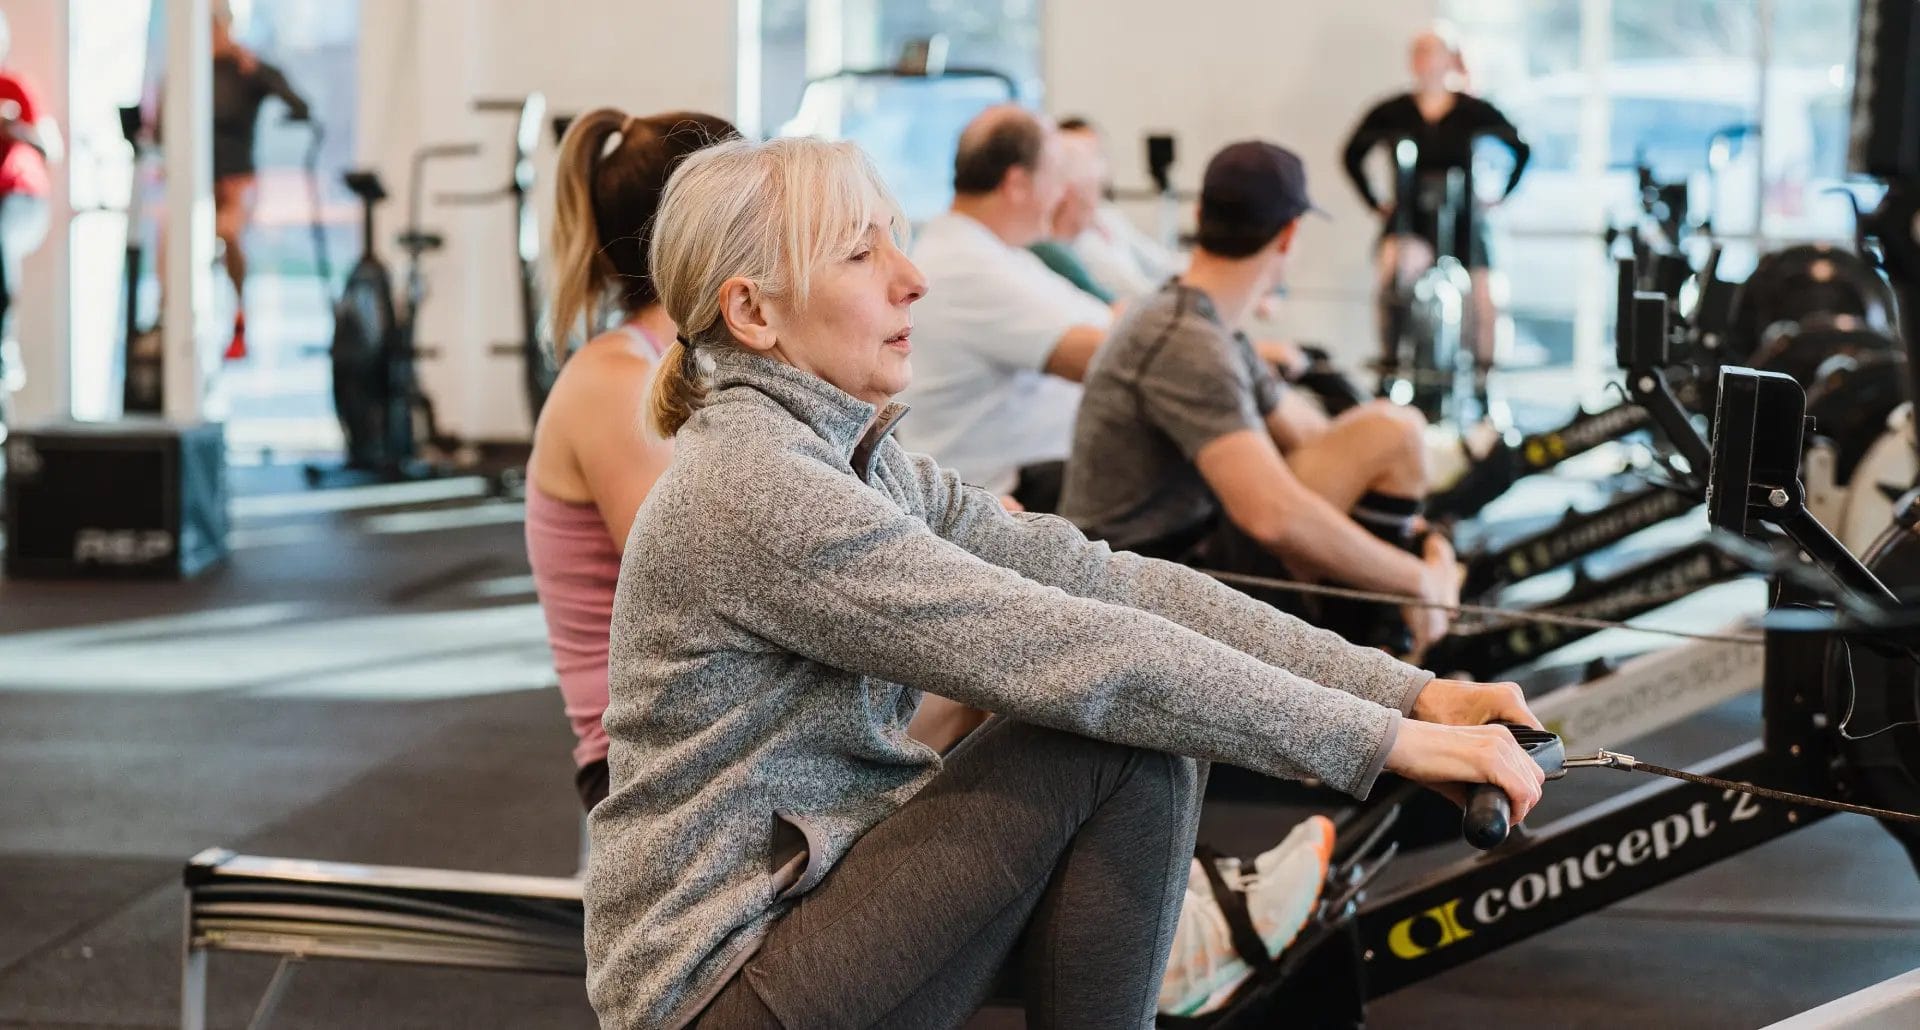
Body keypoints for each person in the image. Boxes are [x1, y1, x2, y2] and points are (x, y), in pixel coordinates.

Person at [583, 133, 1546, 1029]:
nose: (912, 281)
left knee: (1141, 722)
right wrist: (1386, 743)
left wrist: (1412, 691)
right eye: (859, 256)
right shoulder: (761, 484)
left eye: (895, 246)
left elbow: (1104, 586)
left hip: (815, 902)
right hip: (722, 983)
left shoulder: (853, 455)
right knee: (1122, 733)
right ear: (752, 311)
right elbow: (1089, 654)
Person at [1059, 141, 1459, 656]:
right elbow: (1270, 514)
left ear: (1200, 215)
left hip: (1190, 547)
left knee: (1390, 432)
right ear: (1290, 235)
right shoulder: (1184, 336)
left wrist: (1428, 538)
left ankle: (1378, 650)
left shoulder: (1207, 324)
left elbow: (1319, 440)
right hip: (1139, 579)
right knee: (1395, 432)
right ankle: (1373, 667)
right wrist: (1416, 578)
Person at [524, 109, 739, 812]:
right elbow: (699, 600)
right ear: (708, 229)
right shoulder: (616, 382)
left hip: (721, 723)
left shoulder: (695, 364)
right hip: (648, 763)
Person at [895, 104, 1115, 508]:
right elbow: (1102, 359)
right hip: (1008, 493)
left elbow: (1111, 323)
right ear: (1016, 183)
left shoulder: (1002, 253)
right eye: (1055, 179)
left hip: (1050, 471)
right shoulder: (963, 266)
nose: (1062, 194)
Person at [1341, 25, 1530, 384]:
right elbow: (1352, 155)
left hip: (1463, 219)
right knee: (1392, 281)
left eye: (1434, 53)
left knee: (1484, 304)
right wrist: (1375, 202)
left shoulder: (1473, 111)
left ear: (1449, 60)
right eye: (1420, 53)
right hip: (1413, 220)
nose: (1427, 62)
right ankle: (1391, 371)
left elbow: (1521, 149)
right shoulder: (1393, 112)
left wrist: (1500, 197)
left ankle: (1483, 390)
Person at [209, 1, 310, 359]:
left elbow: (298, 103)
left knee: (229, 237)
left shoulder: (247, 71)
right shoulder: (194, 75)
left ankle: (238, 325)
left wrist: (257, 73)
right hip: (202, 182)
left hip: (238, 179)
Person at [0, 9, 59, 411]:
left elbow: (52, 148)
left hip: (22, 200)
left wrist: (15, 129)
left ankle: (5, 342)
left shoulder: (15, 87)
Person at [1057, 116, 1181, 303]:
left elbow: (1160, 262)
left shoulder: (1108, 215)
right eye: (1081, 156)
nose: (1095, 168)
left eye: (1096, 154)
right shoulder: (1063, 240)